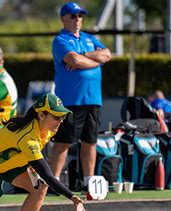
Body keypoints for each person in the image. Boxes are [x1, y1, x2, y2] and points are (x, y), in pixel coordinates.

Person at [49, 2, 111, 191]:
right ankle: (53, 183)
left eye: (80, 16)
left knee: (90, 143)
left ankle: (88, 183)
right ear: (63, 18)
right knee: (63, 142)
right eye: (73, 16)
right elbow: (72, 60)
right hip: (69, 101)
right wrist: (94, 61)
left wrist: (85, 55)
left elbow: (107, 55)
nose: (77, 19)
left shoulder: (89, 39)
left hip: (92, 99)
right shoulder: (61, 40)